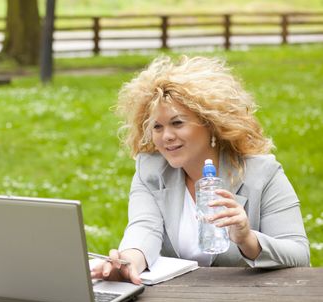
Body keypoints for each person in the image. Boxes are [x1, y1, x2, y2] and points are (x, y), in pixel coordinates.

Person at [91, 55, 310, 285]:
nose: (166, 136)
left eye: (177, 123)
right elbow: (145, 227)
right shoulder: (150, 170)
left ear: (211, 124)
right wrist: (127, 264)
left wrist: (247, 239)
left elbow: (299, 254)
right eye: (157, 126)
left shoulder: (263, 174)